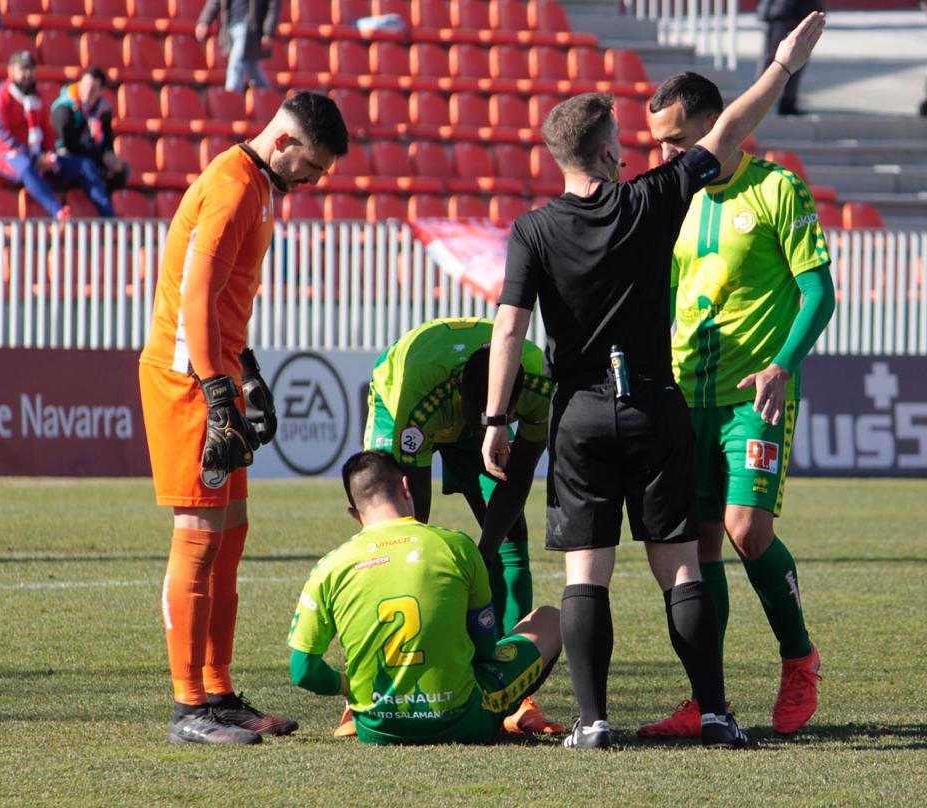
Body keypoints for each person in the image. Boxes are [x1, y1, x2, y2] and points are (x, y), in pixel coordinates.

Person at [481, 13, 826, 750]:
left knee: (587, 575)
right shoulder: (649, 203)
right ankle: (714, 711)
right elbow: (728, 132)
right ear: (610, 153)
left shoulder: (533, 230)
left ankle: (593, 720)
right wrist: (783, 68)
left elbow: (507, 330)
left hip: (578, 413)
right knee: (682, 565)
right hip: (655, 404)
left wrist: (495, 420)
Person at [138, 91, 349, 745]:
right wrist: (219, 394)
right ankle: (188, 708)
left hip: (215, 374)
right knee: (199, 535)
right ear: (284, 142)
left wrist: (246, 369)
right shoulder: (232, 189)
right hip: (187, 382)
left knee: (230, 536)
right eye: (311, 167)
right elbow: (196, 298)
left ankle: (219, 692)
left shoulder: (254, 184)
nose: (312, 183)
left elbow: (222, 299)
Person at [637, 71, 833, 740]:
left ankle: (798, 659)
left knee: (748, 531)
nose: (667, 156)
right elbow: (663, 299)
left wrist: (783, 364)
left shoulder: (779, 188)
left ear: (715, 126)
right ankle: (706, 699)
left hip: (757, 393)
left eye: (676, 140)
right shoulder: (677, 201)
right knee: (697, 546)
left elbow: (818, 294)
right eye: (659, 144)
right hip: (684, 393)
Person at [357, 316, 562, 737]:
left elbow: (519, 475)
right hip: (402, 397)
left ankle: (515, 694)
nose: (473, 431)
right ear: (461, 399)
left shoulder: (540, 385)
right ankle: (371, 691)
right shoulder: (423, 391)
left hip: (485, 415)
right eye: (472, 421)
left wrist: (484, 554)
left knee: (511, 538)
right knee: (392, 540)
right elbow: (409, 514)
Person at [288, 450, 563, 745]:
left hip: (375, 727)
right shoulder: (456, 546)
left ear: (354, 513)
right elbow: (484, 649)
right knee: (551, 619)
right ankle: (502, 713)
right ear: (406, 487)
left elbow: (303, 670)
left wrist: (348, 686)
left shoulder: (330, 567)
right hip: (463, 720)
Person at [0, 51, 114, 220]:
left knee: (85, 166)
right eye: (22, 69)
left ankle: (110, 218)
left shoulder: (37, 97)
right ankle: (58, 211)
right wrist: (33, 156)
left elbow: (47, 130)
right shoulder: (0, 98)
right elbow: (2, 135)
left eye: (30, 69)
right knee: (26, 166)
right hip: (9, 156)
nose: (27, 74)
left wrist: (48, 155)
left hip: (37, 155)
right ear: (11, 71)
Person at [50, 67, 129, 197]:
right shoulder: (65, 107)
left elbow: (106, 140)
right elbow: (68, 143)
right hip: (67, 155)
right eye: (85, 85)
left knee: (121, 170)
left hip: (90, 153)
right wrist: (98, 156)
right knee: (85, 167)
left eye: (93, 89)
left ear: (100, 91)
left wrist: (108, 156)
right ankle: (106, 215)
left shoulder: (103, 110)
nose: (87, 92)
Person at [196, 0, 280, 94]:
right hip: (230, 27)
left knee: (236, 64)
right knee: (252, 69)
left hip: (250, 29)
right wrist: (204, 21)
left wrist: (268, 32)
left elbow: (273, 7)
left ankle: (232, 97)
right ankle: (271, 98)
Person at [758, 0, 825, 115]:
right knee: (771, 59)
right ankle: (758, 102)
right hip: (781, 12)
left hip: (794, 12)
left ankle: (787, 103)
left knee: (796, 60)